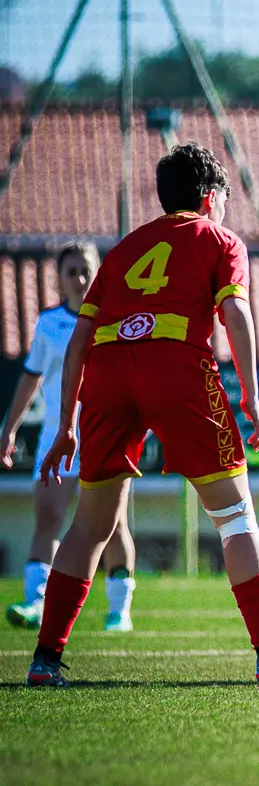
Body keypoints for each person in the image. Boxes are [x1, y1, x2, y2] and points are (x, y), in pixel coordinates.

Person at [25, 143, 259, 689]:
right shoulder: (220, 239)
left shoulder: (124, 250)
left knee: (90, 525)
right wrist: (251, 394)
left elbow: (81, 336)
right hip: (176, 363)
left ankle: (44, 660)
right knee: (235, 516)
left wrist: (65, 426)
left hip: (107, 372)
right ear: (209, 198)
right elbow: (237, 314)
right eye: (223, 201)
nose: (224, 211)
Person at [2, 242, 137, 632]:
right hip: (55, 437)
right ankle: (36, 603)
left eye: (86, 270)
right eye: (72, 271)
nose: (80, 279)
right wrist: (8, 429)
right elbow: (32, 378)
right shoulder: (49, 325)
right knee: (48, 518)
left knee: (113, 525)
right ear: (59, 279)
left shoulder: (115, 320)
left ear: (98, 274)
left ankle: (119, 610)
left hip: (105, 435)